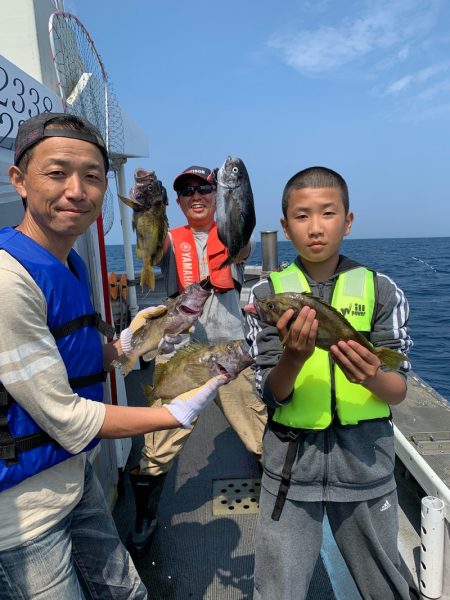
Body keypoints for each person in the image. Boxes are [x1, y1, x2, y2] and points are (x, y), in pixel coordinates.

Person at [0, 113, 232, 600]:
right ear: (18, 180)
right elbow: (66, 417)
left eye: (91, 177)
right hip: (20, 514)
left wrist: (120, 346)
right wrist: (171, 413)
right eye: (57, 172)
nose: (76, 190)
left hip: (70, 477)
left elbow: (69, 355)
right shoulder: (8, 278)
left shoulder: (68, 260)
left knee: (127, 592)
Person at [245, 166, 416, 600]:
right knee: (278, 585)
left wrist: (373, 375)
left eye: (328, 213)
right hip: (289, 468)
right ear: (284, 226)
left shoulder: (382, 290)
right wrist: (294, 357)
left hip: (367, 466)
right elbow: (271, 392)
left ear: (348, 220)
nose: (316, 227)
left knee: (384, 582)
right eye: (302, 216)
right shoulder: (266, 295)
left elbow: (398, 389)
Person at [127, 164, 268, 557]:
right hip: (180, 352)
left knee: (257, 430)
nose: (196, 196)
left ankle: (280, 497)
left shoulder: (234, 237)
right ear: (177, 201)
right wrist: (142, 203)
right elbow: (150, 241)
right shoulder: (169, 240)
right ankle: (145, 514)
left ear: (217, 194)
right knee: (158, 444)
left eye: (203, 188)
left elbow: (240, 245)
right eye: (186, 191)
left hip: (231, 350)